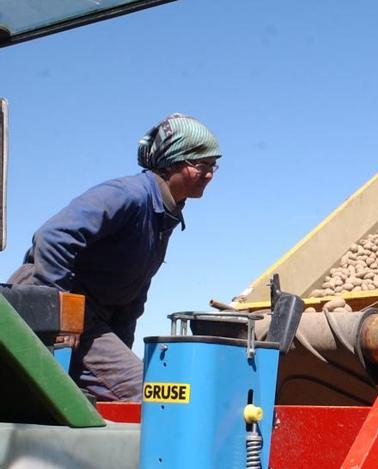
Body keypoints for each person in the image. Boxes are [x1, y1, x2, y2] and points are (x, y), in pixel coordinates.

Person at [8, 113, 221, 402]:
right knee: (152, 397)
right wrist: (59, 316)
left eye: (213, 166)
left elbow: (132, 293)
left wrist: (121, 347)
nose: (209, 174)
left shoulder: (163, 217)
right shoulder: (128, 195)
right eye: (201, 165)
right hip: (50, 304)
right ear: (173, 161)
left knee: (154, 391)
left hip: (90, 320)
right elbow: (54, 236)